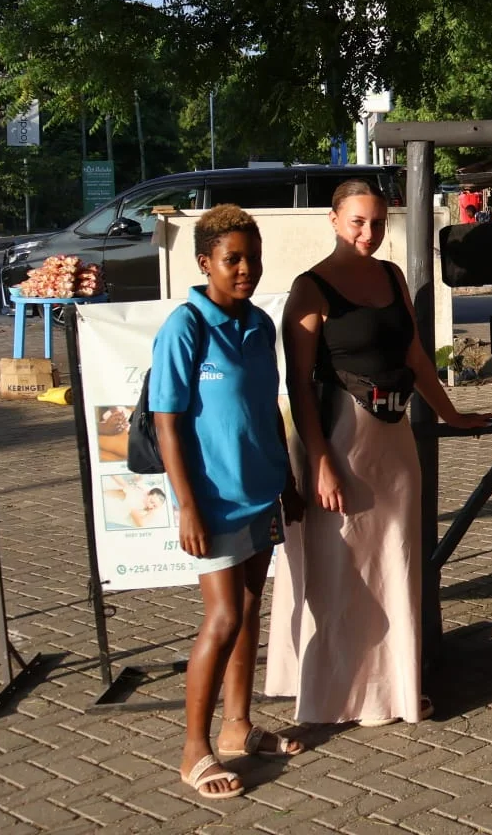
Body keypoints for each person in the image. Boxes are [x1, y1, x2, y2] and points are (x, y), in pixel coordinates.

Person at [266, 179, 492, 726]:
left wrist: (451, 413)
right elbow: (298, 383)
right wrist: (319, 460)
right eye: (357, 222)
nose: (368, 233)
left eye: (377, 223)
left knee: (396, 560)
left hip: (393, 443)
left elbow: (414, 356)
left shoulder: (392, 276)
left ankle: (393, 690)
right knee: (339, 567)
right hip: (338, 439)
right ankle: (333, 693)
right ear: (333, 219)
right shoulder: (310, 288)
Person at [150, 204, 306, 801]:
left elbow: (268, 409)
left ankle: (238, 726)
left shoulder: (260, 325)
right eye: (232, 259)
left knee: (247, 608)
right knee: (222, 619)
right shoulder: (186, 326)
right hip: (212, 501)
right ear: (204, 262)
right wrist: (187, 506)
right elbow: (167, 422)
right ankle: (194, 749)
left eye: (253, 259)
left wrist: (287, 482)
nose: (245, 269)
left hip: (261, 492)